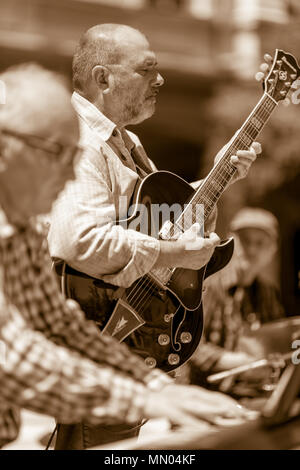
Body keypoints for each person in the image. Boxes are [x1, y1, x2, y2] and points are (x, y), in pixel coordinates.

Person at [0, 63, 254, 449]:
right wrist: (144, 397)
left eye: (74, 159)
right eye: (56, 154)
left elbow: (60, 327)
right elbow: (14, 355)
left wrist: (152, 384)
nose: (71, 177)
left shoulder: (23, 233)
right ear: (4, 146)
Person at [189, 207, 284, 396]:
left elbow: (277, 343)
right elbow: (189, 347)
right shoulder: (207, 284)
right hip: (206, 394)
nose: (251, 249)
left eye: (260, 243)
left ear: (272, 250)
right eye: (245, 241)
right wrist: (241, 362)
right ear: (230, 241)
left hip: (254, 394)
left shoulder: (268, 292)